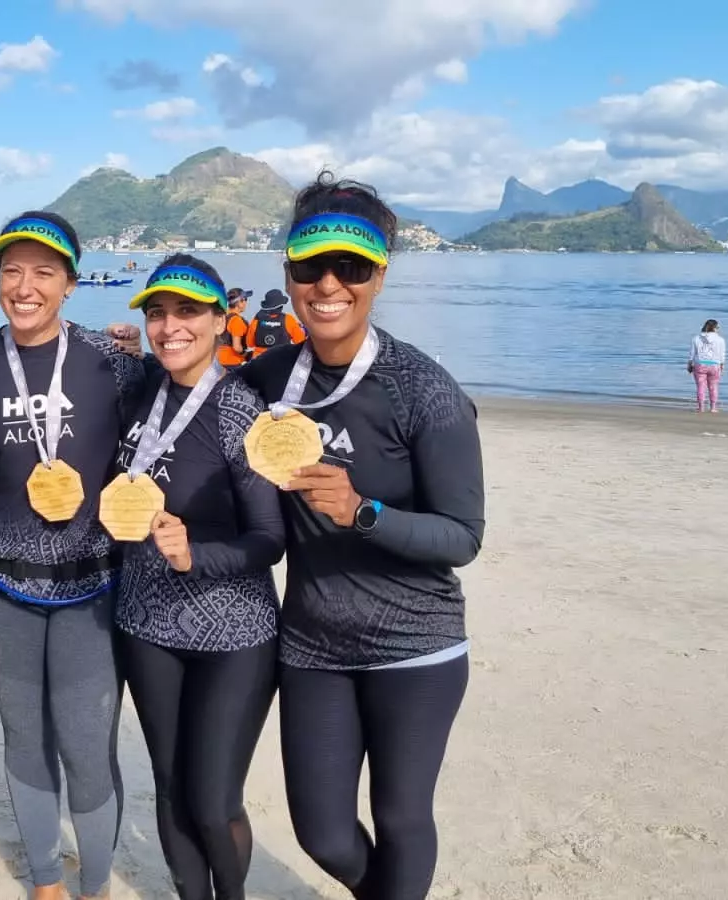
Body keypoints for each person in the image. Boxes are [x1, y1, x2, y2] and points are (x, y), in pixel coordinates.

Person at [237, 173, 486, 899]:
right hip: (312, 643)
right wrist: (119, 351)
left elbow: (463, 535)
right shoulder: (268, 381)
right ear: (288, 272)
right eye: (310, 266)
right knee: (322, 832)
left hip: (417, 643)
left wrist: (362, 511)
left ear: (379, 274)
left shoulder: (423, 390)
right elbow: (185, 397)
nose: (327, 285)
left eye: (350, 267)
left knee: (402, 818)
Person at [0, 211, 146, 900]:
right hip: (1, 588)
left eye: (42, 272)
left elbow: (182, 428)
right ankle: (43, 881)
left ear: (68, 283)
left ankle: (93, 886)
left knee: (88, 750)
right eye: (10, 270)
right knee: (22, 738)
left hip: (92, 589)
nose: (24, 286)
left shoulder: (111, 361)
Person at [116, 256, 284, 900]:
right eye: (157, 313)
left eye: (188, 312)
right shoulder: (137, 391)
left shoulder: (240, 410)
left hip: (234, 631)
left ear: (221, 320)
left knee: (213, 801)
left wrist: (197, 556)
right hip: (144, 621)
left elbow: (270, 539)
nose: (169, 327)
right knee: (169, 786)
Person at [245, 289, 305, 359]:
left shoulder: (256, 320)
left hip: (259, 361)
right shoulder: (288, 319)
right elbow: (300, 342)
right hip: (281, 360)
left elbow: (249, 343)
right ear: (281, 306)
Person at [687, 318, 725, 413]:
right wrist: (722, 365)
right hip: (715, 365)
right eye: (718, 327)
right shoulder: (720, 340)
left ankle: (701, 407)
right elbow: (722, 354)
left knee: (700, 386)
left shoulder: (696, 338)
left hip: (700, 364)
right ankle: (713, 408)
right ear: (715, 328)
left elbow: (692, 353)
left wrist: (689, 364)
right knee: (713, 386)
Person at [216, 288, 250, 368]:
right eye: (245, 299)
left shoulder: (221, 316)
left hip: (217, 361)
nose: (246, 303)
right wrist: (246, 354)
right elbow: (237, 347)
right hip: (232, 363)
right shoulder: (236, 321)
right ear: (239, 303)